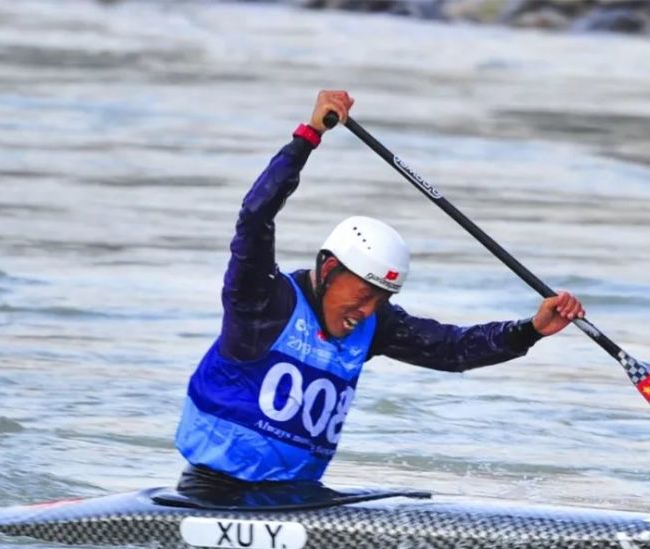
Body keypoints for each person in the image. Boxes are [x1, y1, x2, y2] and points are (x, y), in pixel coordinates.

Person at [173, 90, 585, 504]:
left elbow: (453, 349)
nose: (369, 310)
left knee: (416, 502)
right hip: (213, 497)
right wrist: (309, 136)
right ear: (330, 270)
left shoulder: (376, 323)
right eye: (367, 292)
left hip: (299, 499)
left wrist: (529, 330)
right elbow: (255, 216)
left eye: (383, 298)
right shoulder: (263, 301)